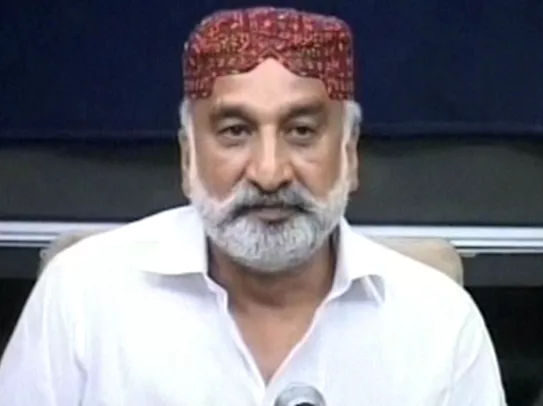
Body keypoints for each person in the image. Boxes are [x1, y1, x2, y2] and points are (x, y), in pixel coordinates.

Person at [0, 6, 506, 405]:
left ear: (349, 154)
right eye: (235, 131)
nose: (269, 172)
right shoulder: (82, 299)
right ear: (188, 157)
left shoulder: (439, 324)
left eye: (301, 131)